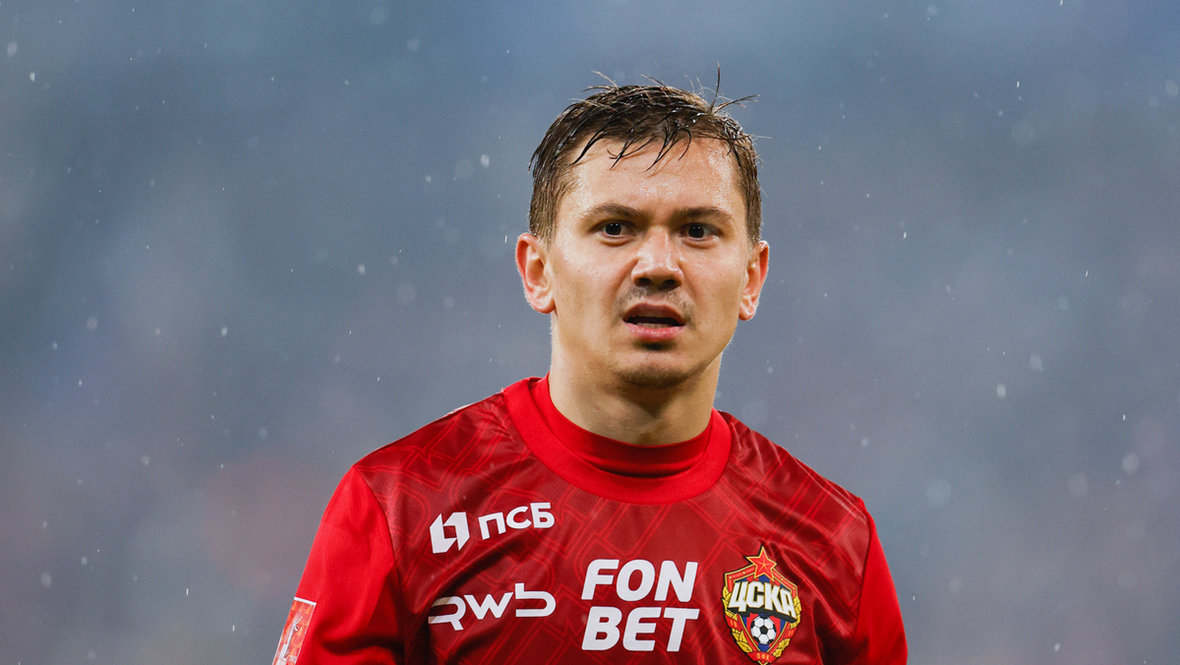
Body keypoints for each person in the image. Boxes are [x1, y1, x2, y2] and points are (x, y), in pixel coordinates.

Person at [273, 80, 907, 664]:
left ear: (751, 278)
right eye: (615, 228)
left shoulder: (832, 541)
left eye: (697, 230)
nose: (658, 265)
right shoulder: (400, 507)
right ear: (538, 271)